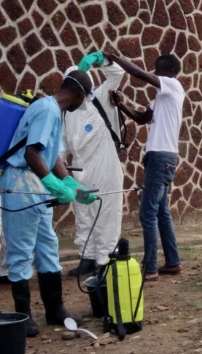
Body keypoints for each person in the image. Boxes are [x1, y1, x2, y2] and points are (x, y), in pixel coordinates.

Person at [0, 70, 97, 337]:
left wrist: (72, 185)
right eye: (83, 100)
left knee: (47, 247)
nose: (81, 105)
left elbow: (49, 155)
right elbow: (31, 153)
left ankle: (55, 309)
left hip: (35, 184)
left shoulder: (53, 110)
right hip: (21, 183)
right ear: (78, 95)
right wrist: (54, 185)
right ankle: (23, 316)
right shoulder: (47, 110)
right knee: (21, 252)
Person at [106, 53, 185, 282]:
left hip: (160, 157)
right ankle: (172, 262)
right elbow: (142, 118)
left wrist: (114, 57)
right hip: (163, 157)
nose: (156, 75)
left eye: (158, 71)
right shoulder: (163, 98)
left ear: (169, 72)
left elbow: (139, 74)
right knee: (161, 211)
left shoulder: (172, 85)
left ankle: (149, 268)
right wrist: (121, 105)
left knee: (147, 212)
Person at [60, 53, 126, 277]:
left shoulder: (100, 98)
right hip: (79, 171)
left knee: (107, 213)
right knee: (83, 215)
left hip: (105, 167)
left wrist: (102, 59)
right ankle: (87, 258)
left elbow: (117, 73)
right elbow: (63, 145)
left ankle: (105, 259)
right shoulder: (68, 113)